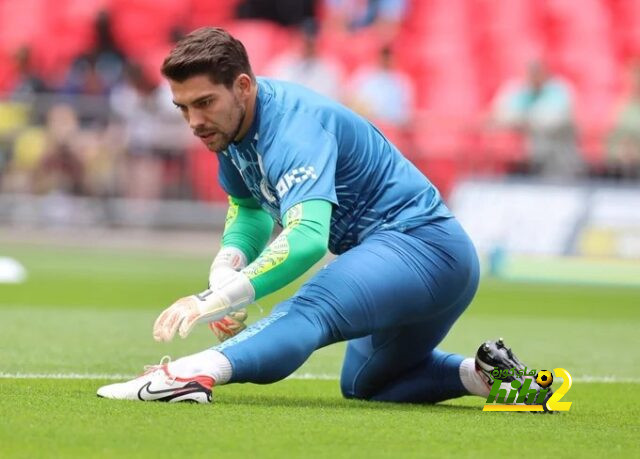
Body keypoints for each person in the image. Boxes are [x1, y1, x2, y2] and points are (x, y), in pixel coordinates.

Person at [97, 27, 549, 407]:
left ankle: (190, 376)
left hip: (420, 245)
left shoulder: (292, 127)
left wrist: (208, 302)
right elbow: (251, 211)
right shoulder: (229, 128)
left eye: (204, 103)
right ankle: (493, 377)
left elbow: (307, 240)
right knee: (365, 384)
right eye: (184, 108)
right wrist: (223, 280)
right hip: (415, 259)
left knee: (310, 310)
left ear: (243, 86)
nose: (194, 122)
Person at [491, 60, 582, 178]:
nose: (534, 78)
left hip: (560, 160)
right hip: (533, 159)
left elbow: (550, 120)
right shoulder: (522, 91)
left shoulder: (559, 91)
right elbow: (499, 114)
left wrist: (521, 119)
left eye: (538, 74)